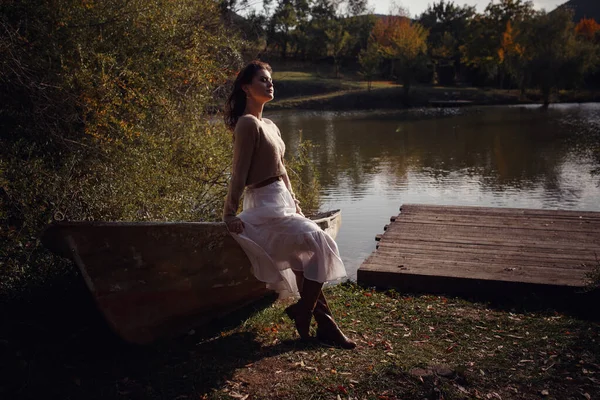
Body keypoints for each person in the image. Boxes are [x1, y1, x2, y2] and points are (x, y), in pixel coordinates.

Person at [222, 60, 356, 349]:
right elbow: (239, 171)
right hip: (263, 203)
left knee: (303, 258)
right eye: (262, 79)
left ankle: (324, 324)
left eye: (271, 79)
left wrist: (294, 202)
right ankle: (305, 313)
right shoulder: (247, 123)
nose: (270, 83)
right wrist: (229, 212)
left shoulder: (270, 124)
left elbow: (282, 169)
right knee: (320, 242)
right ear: (246, 87)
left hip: (282, 201)